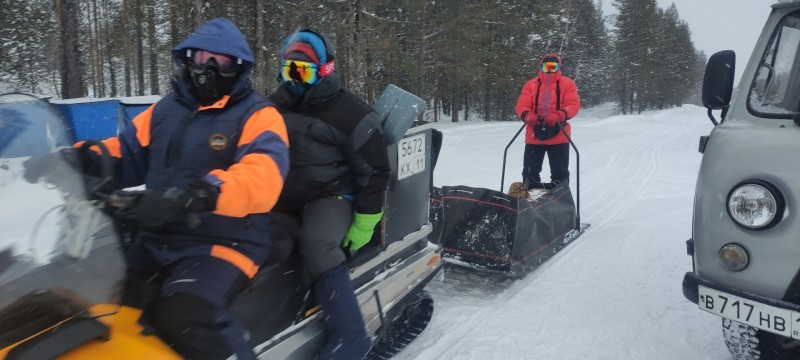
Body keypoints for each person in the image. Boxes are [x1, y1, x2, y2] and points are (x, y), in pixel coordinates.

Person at [25, 18, 289, 360]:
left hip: (224, 242)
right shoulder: (166, 110)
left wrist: (198, 194)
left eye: (221, 61)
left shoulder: (258, 115)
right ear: (188, 58)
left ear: (238, 67)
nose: (208, 68)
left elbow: (263, 175)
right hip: (158, 235)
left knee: (185, 315)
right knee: (93, 297)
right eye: (202, 57)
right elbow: (126, 152)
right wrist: (73, 160)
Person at [268, 29, 389, 360]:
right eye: (288, 69)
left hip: (331, 195)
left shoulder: (351, 113)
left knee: (317, 242)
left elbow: (375, 171)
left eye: (302, 71)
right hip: (283, 194)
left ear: (324, 71)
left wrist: (365, 222)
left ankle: (350, 337)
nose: (294, 79)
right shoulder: (272, 107)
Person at [515, 53, 580, 191]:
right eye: (547, 67)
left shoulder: (567, 83)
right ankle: (529, 201)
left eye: (553, 67)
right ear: (541, 67)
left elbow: (573, 104)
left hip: (559, 135)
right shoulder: (531, 85)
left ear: (558, 68)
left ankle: (560, 202)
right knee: (529, 173)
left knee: (560, 174)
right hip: (534, 135)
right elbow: (522, 105)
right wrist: (527, 115)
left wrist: (561, 115)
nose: (550, 70)